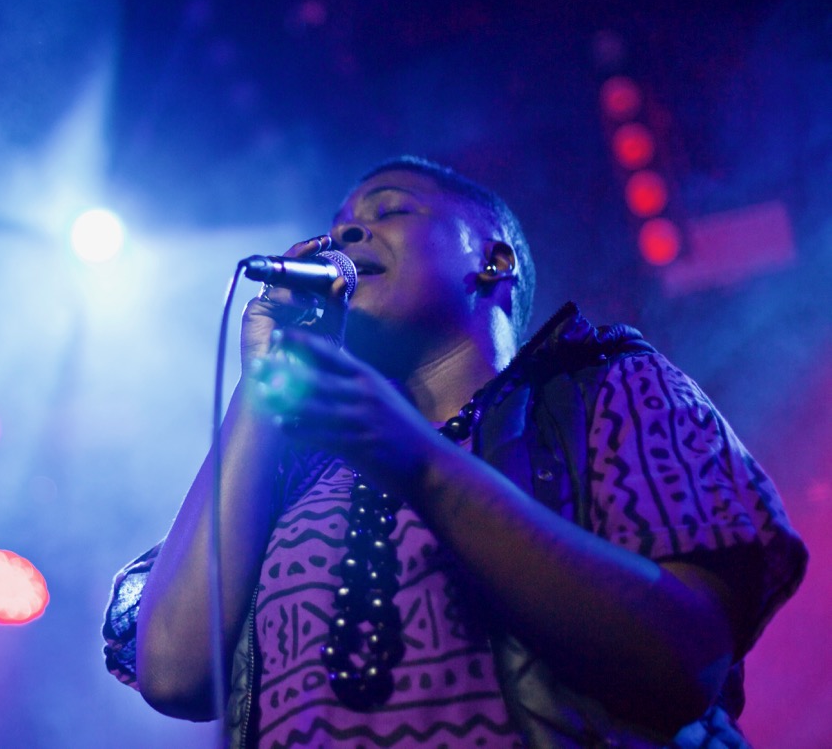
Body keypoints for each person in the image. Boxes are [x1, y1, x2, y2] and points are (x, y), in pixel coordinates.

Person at [103, 156, 807, 748]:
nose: (346, 231)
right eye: (340, 222)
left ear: (493, 261)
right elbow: (174, 674)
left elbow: (685, 660)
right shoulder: (288, 468)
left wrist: (419, 462)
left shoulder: (607, 387)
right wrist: (262, 386)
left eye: (391, 209)